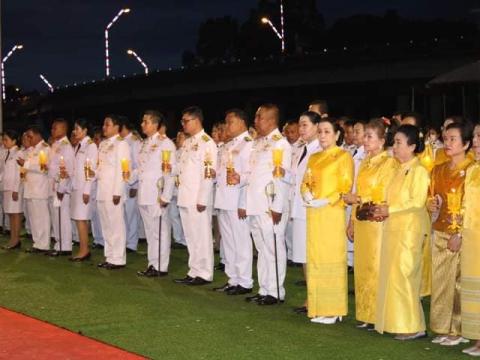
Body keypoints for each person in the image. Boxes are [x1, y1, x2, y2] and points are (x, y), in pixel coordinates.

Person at [374, 124, 429, 340]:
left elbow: (417, 201)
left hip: (410, 230)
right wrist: (382, 209)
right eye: (394, 142)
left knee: (405, 276)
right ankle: (399, 322)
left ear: (412, 146)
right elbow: (393, 199)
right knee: (394, 276)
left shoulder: (419, 171)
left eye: (398, 142)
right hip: (394, 227)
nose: (394, 147)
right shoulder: (399, 169)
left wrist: (390, 209)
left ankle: (414, 326)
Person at [344, 119, 396, 329]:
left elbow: (382, 193)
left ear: (382, 140)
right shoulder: (364, 162)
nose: (364, 140)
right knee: (363, 267)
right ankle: (365, 313)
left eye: (369, 137)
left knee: (376, 267)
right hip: (363, 219)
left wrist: (357, 199)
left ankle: (378, 314)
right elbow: (359, 190)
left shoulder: (388, 163)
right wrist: (352, 220)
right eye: (364, 136)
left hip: (377, 221)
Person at [302, 117, 353, 324]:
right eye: (320, 132)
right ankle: (318, 307)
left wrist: (326, 200)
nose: (323, 136)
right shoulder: (313, 158)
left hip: (331, 212)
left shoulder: (343, 156)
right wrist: (306, 194)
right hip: (314, 213)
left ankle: (334, 309)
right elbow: (306, 180)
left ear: (337, 135)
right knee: (315, 258)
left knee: (331, 257)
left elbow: (345, 187)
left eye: (327, 132)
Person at [427, 120, 474, 346]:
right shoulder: (438, 169)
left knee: (458, 282)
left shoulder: (472, 171)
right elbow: (431, 197)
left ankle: (458, 329)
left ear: (466, 144)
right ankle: (443, 327)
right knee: (441, 282)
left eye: (453, 139)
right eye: (446, 138)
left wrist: (461, 233)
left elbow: (472, 205)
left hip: (461, 233)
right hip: (440, 230)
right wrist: (431, 205)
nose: (447, 142)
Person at [244, 104, 292, 305]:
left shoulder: (280, 145)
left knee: (273, 248)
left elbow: (282, 178)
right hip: (256, 203)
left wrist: (277, 207)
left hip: (270, 205)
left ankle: (275, 292)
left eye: (259, 117)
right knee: (262, 249)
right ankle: (264, 288)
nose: (255, 121)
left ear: (271, 120)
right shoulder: (259, 143)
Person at [174, 106, 217, 285]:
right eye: (182, 121)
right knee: (191, 237)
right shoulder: (188, 142)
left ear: (197, 120)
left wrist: (203, 198)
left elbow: (208, 173)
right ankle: (194, 270)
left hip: (197, 198)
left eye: (186, 121)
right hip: (185, 195)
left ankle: (205, 273)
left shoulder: (207, 143)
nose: (183, 124)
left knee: (202, 236)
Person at [212, 109, 254, 295]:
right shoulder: (228, 145)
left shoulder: (249, 144)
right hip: (224, 199)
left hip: (238, 200)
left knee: (241, 242)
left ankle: (244, 282)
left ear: (242, 123)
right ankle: (232, 279)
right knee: (228, 242)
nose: (226, 126)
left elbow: (250, 174)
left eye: (230, 122)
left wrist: (244, 202)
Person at [136, 110, 176, 277]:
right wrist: (127, 176)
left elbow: (170, 172)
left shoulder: (165, 144)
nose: (142, 124)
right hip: (144, 193)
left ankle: (160, 266)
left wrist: (166, 196)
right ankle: (152, 264)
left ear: (155, 124)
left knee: (160, 231)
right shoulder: (145, 143)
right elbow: (142, 168)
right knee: (150, 232)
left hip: (156, 194)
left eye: (145, 122)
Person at [290, 111, 321, 313]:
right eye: (300, 125)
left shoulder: (319, 151)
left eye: (305, 125)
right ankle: (310, 297)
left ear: (317, 127)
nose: (301, 129)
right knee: (302, 255)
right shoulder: (300, 149)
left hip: (311, 209)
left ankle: (316, 299)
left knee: (312, 255)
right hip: (298, 207)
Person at [95, 115, 131, 270]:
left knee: (116, 225)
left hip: (113, 191)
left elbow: (123, 169)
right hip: (102, 190)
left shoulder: (121, 144)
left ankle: (118, 258)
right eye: (104, 124)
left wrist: (118, 191)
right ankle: (109, 256)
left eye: (107, 124)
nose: (104, 127)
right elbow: (101, 167)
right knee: (106, 225)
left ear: (117, 127)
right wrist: (92, 173)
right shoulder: (102, 144)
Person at [459, 122, 480, 356]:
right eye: (474, 136)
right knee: (474, 287)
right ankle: (477, 337)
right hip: (471, 235)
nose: (475, 141)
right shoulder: (473, 169)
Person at [70, 119, 98, 261]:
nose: (75, 132)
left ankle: (84, 250)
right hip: (77, 187)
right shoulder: (78, 146)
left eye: (77, 129)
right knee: (78, 219)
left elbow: (91, 170)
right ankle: (83, 248)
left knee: (82, 219)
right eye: (75, 129)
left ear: (85, 130)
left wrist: (87, 190)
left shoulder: (90, 146)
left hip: (84, 189)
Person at [20, 125, 51, 253]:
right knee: (33, 218)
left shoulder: (44, 148)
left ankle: (43, 244)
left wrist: (25, 164)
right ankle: (37, 243)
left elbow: (43, 169)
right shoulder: (32, 150)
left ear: (38, 135)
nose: (28, 138)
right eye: (27, 136)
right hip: (30, 188)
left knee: (41, 217)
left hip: (39, 188)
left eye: (30, 136)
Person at [48, 119, 75, 256]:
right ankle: (59, 244)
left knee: (62, 217)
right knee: (55, 216)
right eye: (52, 128)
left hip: (61, 187)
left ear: (64, 129)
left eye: (55, 128)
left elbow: (67, 169)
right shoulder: (55, 145)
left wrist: (61, 189)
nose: (52, 130)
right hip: (53, 185)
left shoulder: (66, 146)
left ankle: (65, 246)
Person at [119, 118, 141, 253]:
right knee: (123, 215)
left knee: (131, 214)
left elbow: (138, 165)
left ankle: (132, 243)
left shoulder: (134, 141)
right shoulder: (122, 142)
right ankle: (125, 240)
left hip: (131, 183)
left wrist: (135, 186)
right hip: (122, 182)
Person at [1, 130, 23, 249]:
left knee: (16, 214)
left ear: (14, 141)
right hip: (6, 187)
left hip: (14, 188)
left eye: (6, 139)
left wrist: (16, 189)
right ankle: (12, 239)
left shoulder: (18, 153)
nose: (4, 142)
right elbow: (4, 172)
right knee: (10, 214)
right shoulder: (6, 153)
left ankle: (16, 240)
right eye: (3, 139)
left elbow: (19, 173)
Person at [169, 131, 187, 248]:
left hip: (183, 188)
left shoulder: (187, 152)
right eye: (178, 136)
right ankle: (177, 238)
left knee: (183, 216)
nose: (178, 139)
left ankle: (185, 240)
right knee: (173, 214)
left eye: (181, 137)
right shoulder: (175, 152)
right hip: (174, 188)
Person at [90, 127, 104, 249]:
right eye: (94, 138)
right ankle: (97, 238)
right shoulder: (95, 151)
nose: (95, 141)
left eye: (97, 139)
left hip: (102, 186)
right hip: (94, 187)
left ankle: (103, 240)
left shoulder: (103, 151)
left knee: (101, 216)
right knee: (94, 216)